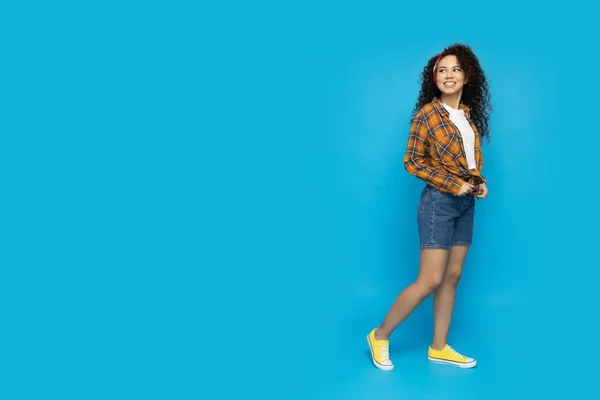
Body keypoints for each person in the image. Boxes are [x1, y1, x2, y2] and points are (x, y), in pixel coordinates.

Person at [366, 43, 493, 371]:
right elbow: (412, 161)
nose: (449, 75)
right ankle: (380, 335)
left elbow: (470, 160)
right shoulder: (427, 114)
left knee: (453, 275)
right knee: (430, 279)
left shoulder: (466, 116)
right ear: (434, 78)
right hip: (439, 203)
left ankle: (438, 347)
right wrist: (454, 185)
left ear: (467, 77)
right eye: (442, 70)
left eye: (456, 70)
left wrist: (479, 181)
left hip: (466, 204)